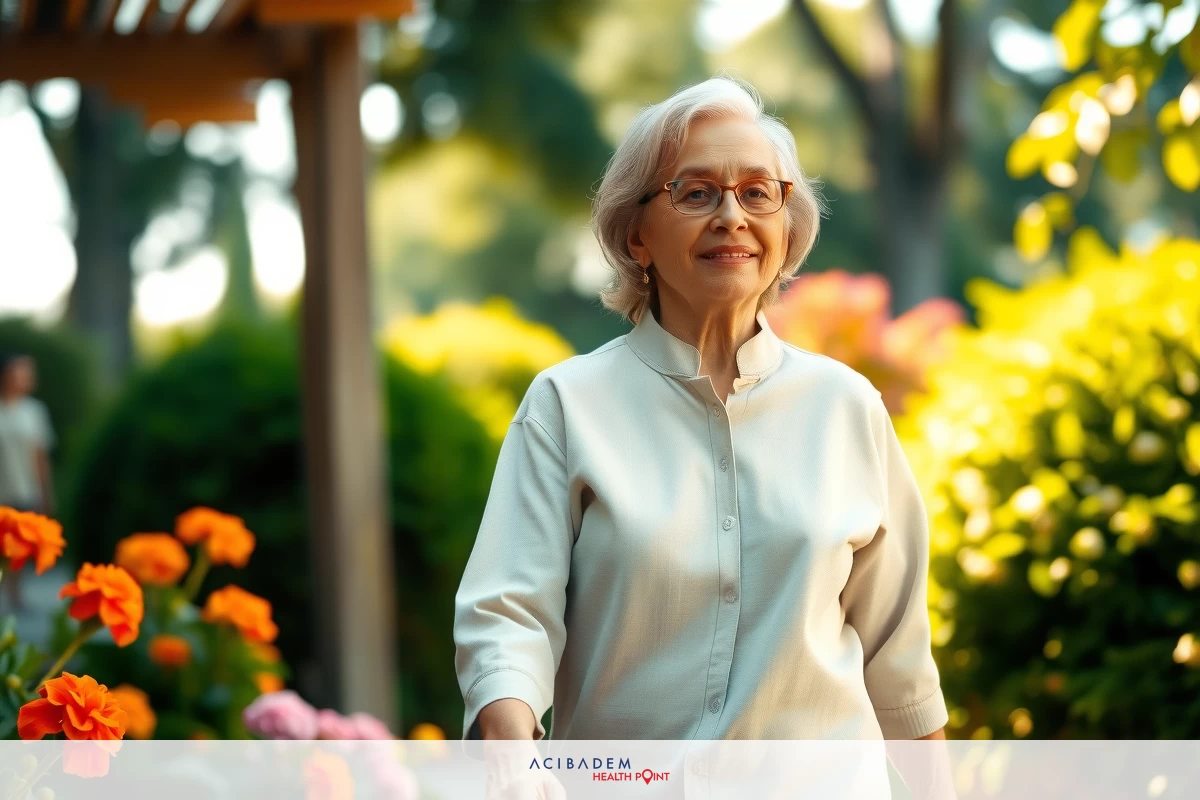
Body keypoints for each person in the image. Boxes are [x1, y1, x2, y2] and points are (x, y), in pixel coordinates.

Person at [454, 77, 949, 745]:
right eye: (695, 193)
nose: (732, 216)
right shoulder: (567, 406)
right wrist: (509, 731)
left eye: (757, 193)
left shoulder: (847, 407)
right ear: (636, 236)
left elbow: (901, 668)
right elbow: (510, 615)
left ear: (785, 226)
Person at [0, 353, 56, 609]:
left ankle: (15, 595)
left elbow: (40, 456)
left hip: (25, 489)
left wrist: (46, 493)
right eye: (19, 372)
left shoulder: (34, 411)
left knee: (18, 547)